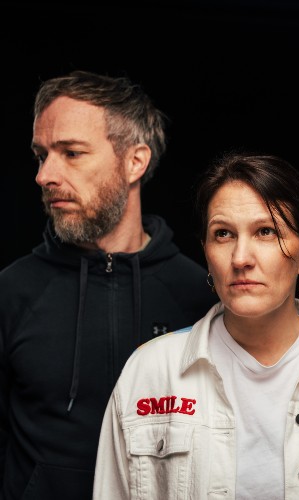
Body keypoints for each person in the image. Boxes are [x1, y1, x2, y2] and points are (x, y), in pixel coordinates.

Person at [92, 151, 299, 499]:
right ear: (206, 252)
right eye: (223, 234)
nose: (241, 258)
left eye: (265, 232)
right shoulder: (150, 372)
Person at [0, 70, 218, 500]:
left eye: (72, 153)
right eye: (42, 155)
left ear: (135, 162)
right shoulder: (12, 291)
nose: (45, 175)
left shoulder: (199, 294)